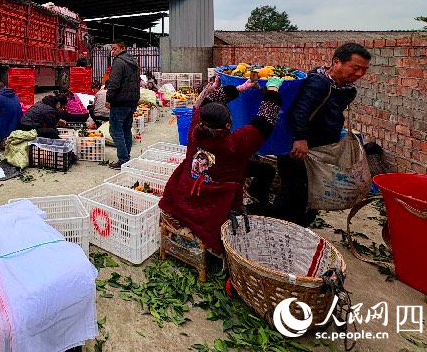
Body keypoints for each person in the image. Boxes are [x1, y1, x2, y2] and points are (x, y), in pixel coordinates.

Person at [158, 75, 285, 255]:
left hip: (190, 190)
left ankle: (253, 195)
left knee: (265, 170)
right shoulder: (236, 143)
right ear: (227, 125)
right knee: (272, 211)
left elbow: (205, 102)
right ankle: (248, 209)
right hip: (215, 199)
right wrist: (272, 90)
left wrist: (239, 89)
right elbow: (265, 120)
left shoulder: (195, 128)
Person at [274, 42, 372, 226]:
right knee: (293, 194)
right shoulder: (318, 83)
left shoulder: (345, 89)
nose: (360, 74)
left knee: (312, 194)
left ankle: (298, 230)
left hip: (320, 151)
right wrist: (300, 138)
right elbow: (299, 112)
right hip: (300, 151)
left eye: (364, 70)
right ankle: (280, 230)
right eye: (355, 68)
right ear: (336, 62)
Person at [106, 41, 140, 169]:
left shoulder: (119, 62)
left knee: (115, 131)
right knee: (126, 130)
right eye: (112, 49)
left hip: (120, 102)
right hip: (131, 102)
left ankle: (123, 159)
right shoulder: (133, 62)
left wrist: (109, 99)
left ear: (122, 48)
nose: (113, 52)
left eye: (115, 49)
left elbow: (114, 83)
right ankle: (126, 157)